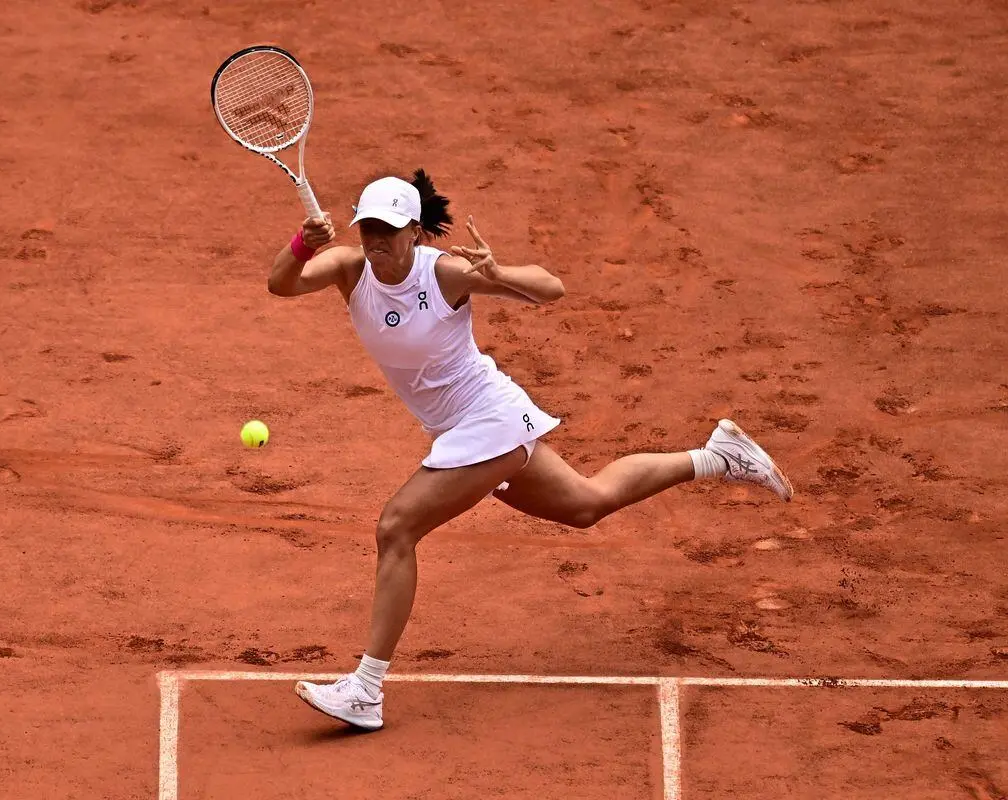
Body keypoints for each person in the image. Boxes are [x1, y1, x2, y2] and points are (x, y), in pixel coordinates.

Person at [267, 169, 793, 731]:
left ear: (415, 232)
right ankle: (719, 456)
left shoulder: (444, 274)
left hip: (487, 418)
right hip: (463, 429)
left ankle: (366, 688)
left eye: (388, 230)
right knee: (586, 504)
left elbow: (550, 287)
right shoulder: (351, 269)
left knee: (397, 527)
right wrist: (302, 244)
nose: (375, 242)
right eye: (367, 228)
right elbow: (283, 283)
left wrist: (497, 273)